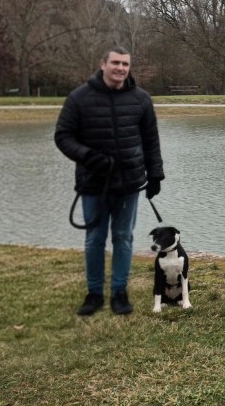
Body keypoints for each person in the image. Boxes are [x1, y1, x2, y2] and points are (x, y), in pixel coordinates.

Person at [55, 46, 164, 316]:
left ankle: (119, 293)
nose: (120, 68)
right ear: (103, 64)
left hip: (128, 184)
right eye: (115, 63)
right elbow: (63, 136)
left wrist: (155, 175)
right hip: (93, 183)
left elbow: (151, 140)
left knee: (123, 238)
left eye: (125, 64)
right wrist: (88, 156)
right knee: (94, 239)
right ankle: (94, 294)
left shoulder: (141, 99)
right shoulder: (79, 98)